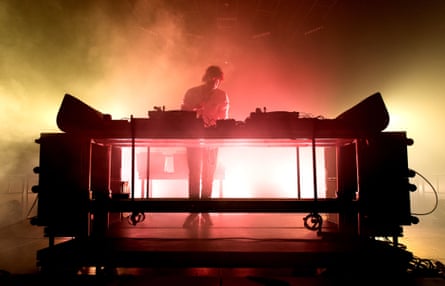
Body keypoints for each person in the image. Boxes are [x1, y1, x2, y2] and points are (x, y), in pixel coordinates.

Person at [181, 65, 229, 228]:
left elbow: (223, 119)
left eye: (217, 80)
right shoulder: (192, 92)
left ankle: (205, 211)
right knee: (194, 174)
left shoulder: (222, 96)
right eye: (211, 78)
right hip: (193, 138)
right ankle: (194, 211)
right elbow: (183, 114)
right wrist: (196, 110)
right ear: (206, 77)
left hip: (212, 140)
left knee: (208, 176)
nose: (214, 83)